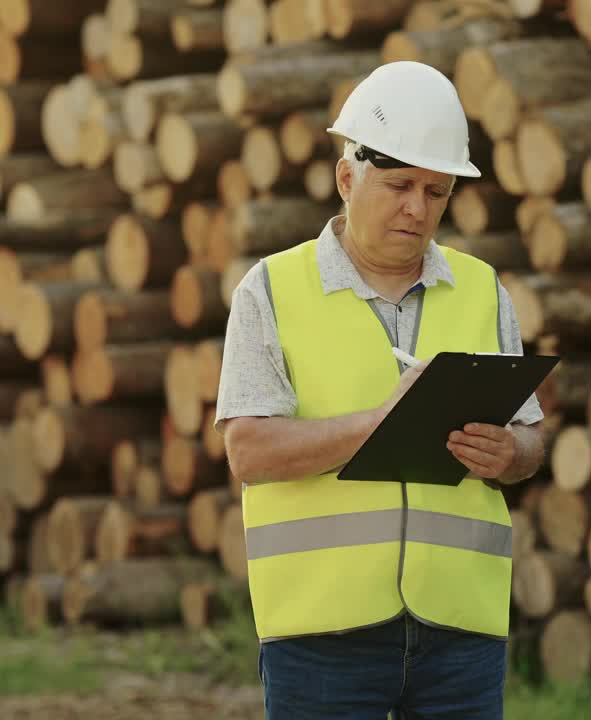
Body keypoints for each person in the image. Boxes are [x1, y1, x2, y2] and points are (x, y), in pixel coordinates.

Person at [214, 61, 548, 719]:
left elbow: (531, 438)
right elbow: (248, 451)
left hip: (462, 629)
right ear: (347, 177)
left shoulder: (483, 290)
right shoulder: (271, 291)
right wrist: (382, 421)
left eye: (437, 191)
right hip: (321, 636)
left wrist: (513, 455)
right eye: (399, 185)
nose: (417, 209)